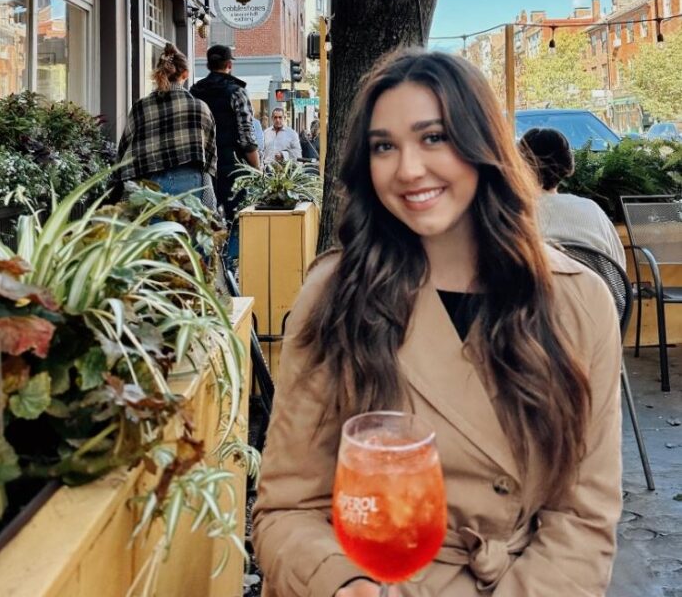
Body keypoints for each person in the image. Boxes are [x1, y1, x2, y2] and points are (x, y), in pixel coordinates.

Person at [254, 49, 622, 597]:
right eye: (384, 146)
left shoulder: (576, 301)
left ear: (483, 146)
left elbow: (584, 520)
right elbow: (287, 509)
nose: (407, 168)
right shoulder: (334, 297)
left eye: (434, 137)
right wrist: (341, 585)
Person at [116, 43, 217, 207]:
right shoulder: (200, 108)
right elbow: (209, 156)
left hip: (148, 188)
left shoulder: (141, 107)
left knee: (152, 232)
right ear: (185, 74)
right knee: (189, 230)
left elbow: (125, 150)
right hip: (191, 187)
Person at [519, 127, 627, 270]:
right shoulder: (592, 210)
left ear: (520, 166)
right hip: (596, 291)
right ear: (569, 165)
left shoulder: (515, 215)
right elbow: (619, 268)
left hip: (540, 292)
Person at [190, 44, 260, 222]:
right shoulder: (237, 92)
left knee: (204, 221)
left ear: (208, 65)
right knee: (236, 220)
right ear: (229, 64)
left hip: (201, 166)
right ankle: (233, 250)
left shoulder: (194, 92)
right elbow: (247, 137)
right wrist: (257, 168)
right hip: (231, 166)